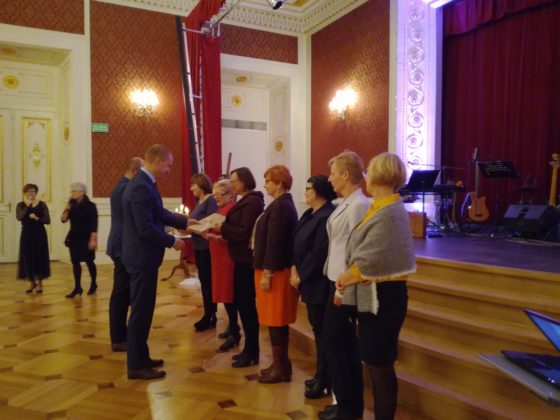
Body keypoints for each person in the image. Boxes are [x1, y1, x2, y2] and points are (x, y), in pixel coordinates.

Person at [336, 152, 416, 420]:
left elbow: (375, 257)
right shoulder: (380, 206)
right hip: (375, 296)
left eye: (369, 170)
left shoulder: (390, 211)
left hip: (385, 299)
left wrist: (348, 276)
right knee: (374, 365)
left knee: (380, 369)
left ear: (380, 175)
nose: (365, 175)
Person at [121, 144, 187, 380]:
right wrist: (172, 241)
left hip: (142, 257)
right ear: (157, 160)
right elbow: (145, 228)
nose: (169, 170)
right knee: (140, 312)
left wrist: (186, 222)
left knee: (144, 310)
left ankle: (142, 357)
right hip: (141, 258)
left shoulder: (145, 182)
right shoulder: (140, 186)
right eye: (168, 165)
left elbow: (159, 213)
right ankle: (135, 366)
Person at [319, 150, 370, 420]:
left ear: (346, 175)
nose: (329, 179)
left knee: (337, 343)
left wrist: (344, 284)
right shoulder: (346, 203)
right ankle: (346, 404)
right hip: (335, 279)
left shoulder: (359, 205)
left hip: (345, 284)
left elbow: (358, 250)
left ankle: (348, 409)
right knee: (341, 344)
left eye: (333, 174)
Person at [290, 175, 336, 398]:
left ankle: (325, 378)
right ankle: (321, 375)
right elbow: (296, 242)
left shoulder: (327, 215)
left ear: (319, 192)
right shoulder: (309, 213)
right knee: (317, 328)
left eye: (309, 188)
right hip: (307, 279)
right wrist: (293, 268)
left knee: (323, 331)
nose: (305, 192)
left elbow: (319, 252)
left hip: (319, 281)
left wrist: (301, 275)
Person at [214, 167, 264, 368]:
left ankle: (251, 351)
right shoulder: (246, 200)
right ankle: (249, 349)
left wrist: (222, 228)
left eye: (234, 180)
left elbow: (244, 232)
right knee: (243, 305)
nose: (232, 184)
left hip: (246, 260)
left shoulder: (252, 202)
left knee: (246, 306)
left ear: (244, 181)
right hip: (240, 260)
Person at [253, 165, 298, 383]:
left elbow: (275, 242)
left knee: (276, 319)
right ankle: (281, 364)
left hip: (275, 272)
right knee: (274, 320)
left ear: (279, 183)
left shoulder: (281, 206)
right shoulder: (280, 204)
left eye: (268, 181)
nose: (265, 185)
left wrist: (267, 273)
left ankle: (280, 367)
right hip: (273, 269)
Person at [106, 157, 143, 352]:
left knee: (123, 291)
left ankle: (121, 334)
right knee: (121, 293)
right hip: (122, 244)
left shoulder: (123, 186)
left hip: (121, 243)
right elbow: (135, 218)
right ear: (135, 169)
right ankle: (119, 338)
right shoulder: (125, 188)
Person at [204, 178, 240, 351]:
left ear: (230, 194)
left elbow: (232, 235)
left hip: (227, 257)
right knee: (224, 294)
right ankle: (232, 326)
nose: (216, 197)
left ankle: (234, 331)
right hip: (219, 256)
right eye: (214, 195)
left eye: (219, 194)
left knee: (228, 294)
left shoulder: (232, 209)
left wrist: (214, 237)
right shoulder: (221, 209)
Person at [188, 173, 218, 332]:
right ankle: (208, 313)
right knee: (204, 282)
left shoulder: (210, 200)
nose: (191, 188)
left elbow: (210, 224)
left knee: (208, 282)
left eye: (193, 185)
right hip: (199, 247)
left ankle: (210, 315)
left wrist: (190, 227)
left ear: (201, 184)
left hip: (207, 247)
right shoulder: (199, 201)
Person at [61, 182, 98, 298]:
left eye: (74, 191)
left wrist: (93, 240)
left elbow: (94, 224)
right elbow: (63, 220)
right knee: (75, 262)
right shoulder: (71, 204)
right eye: (71, 191)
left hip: (86, 237)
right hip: (74, 237)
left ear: (82, 192)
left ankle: (93, 284)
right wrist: (66, 209)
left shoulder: (90, 206)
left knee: (89, 261)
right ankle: (77, 287)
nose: (72, 193)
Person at [16, 183, 51, 294]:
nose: (31, 193)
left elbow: (47, 220)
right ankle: (32, 282)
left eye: (33, 191)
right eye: (28, 191)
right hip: (26, 234)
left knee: (40, 257)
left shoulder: (42, 204)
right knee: (27, 258)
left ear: (36, 193)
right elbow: (19, 217)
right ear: (25, 193)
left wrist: (36, 218)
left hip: (39, 234)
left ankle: (40, 283)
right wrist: (28, 206)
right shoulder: (21, 205)